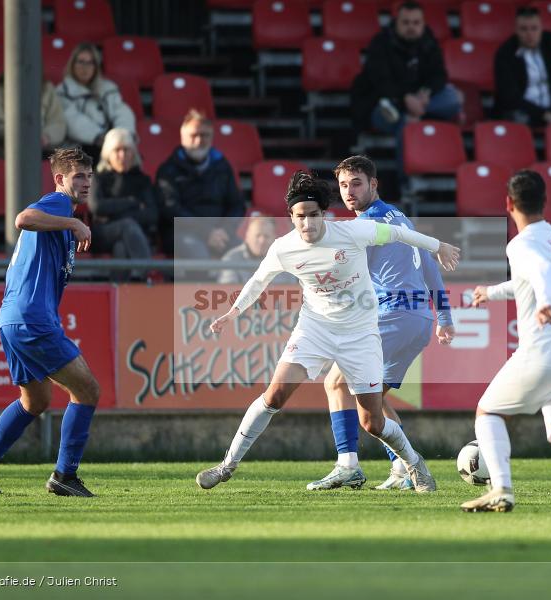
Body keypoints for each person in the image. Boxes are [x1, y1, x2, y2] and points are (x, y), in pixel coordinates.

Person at [195, 170, 461, 493]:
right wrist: (231, 313)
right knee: (274, 395)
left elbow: (400, 235)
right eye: (299, 217)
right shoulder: (283, 247)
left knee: (372, 422)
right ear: (291, 217)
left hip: (360, 333)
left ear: (324, 214)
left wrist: (439, 246)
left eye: (312, 216)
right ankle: (226, 466)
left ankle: (412, 462)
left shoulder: (352, 232)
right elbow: (257, 282)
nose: (307, 224)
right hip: (315, 328)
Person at [306, 155, 455, 491]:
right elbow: (430, 267)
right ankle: (403, 470)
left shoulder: (366, 226)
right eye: (343, 185)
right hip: (417, 320)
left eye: (356, 183)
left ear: (374, 184)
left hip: (394, 314)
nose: (348, 191)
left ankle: (348, 466)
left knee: (337, 384)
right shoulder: (400, 217)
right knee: (375, 402)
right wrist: (443, 316)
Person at [0, 147, 101, 498]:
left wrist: (71, 226)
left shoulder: (62, 218)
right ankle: (65, 475)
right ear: (59, 180)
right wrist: (72, 221)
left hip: (12, 320)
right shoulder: (57, 204)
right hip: (32, 319)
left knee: (34, 401)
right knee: (87, 390)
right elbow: (22, 218)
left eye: (89, 175)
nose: (85, 182)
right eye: (78, 176)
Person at [461, 170, 551, 513]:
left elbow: (541, 272)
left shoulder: (521, 244)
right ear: (545, 202)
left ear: (508, 204)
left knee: (488, 411)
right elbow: (531, 277)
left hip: (547, 350)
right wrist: (491, 293)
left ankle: (502, 490)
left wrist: (545, 303)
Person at [349, 1, 462, 184]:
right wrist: (405, 99)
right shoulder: (380, 42)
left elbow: (439, 75)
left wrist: (425, 94)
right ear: (396, 22)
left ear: (423, 24)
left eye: (416, 23)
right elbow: (380, 81)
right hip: (386, 102)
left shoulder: (429, 41)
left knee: (452, 99)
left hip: (421, 101)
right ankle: (407, 183)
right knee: (401, 123)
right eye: (406, 22)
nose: (411, 27)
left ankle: (414, 114)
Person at [156, 109, 244, 259]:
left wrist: (225, 230)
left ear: (212, 138)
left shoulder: (222, 166)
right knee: (197, 254)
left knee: (246, 254)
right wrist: (206, 232)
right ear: (182, 138)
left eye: (204, 135)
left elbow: (237, 205)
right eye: (193, 135)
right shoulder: (168, 170)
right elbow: (171, 210)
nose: (198, 141)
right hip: (181, 234)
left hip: (220, 233)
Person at [56, 43, 136, 160]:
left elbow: (121, 111)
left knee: (130, 156)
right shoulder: (63, 91)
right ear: (72, 64)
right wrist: (100, 137)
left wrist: (122, 136)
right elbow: (72, 120)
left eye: (90, 63)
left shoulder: (108, 88)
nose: (85, 67)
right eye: (81, 62)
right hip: (80, 149)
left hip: (113, 144)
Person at [91, 127, 157, 263]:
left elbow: (152, 214)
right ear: (108, 153)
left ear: (133, 153)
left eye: (126, 150)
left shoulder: (142, 180)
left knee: (121, 248)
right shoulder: (98, 178)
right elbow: (97, 207)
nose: (122, 155)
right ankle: (149, 274)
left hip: (136, 234)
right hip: (103, 233)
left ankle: (123, 284)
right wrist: (132, 202)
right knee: (127, 225)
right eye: (117, 150)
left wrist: (113, 214)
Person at [0, 76, 67, 158]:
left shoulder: (47, 87)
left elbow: (58, 122)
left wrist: (47, 136)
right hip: (7, 151)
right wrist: (24, 136)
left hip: (43, 150)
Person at [217, 216, 297, 285]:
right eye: (257, 235)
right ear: (247, 236)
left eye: (266, 236)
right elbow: (227, 293)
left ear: (274, 238)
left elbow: (290, 293)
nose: (262, 241)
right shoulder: (231, 259)